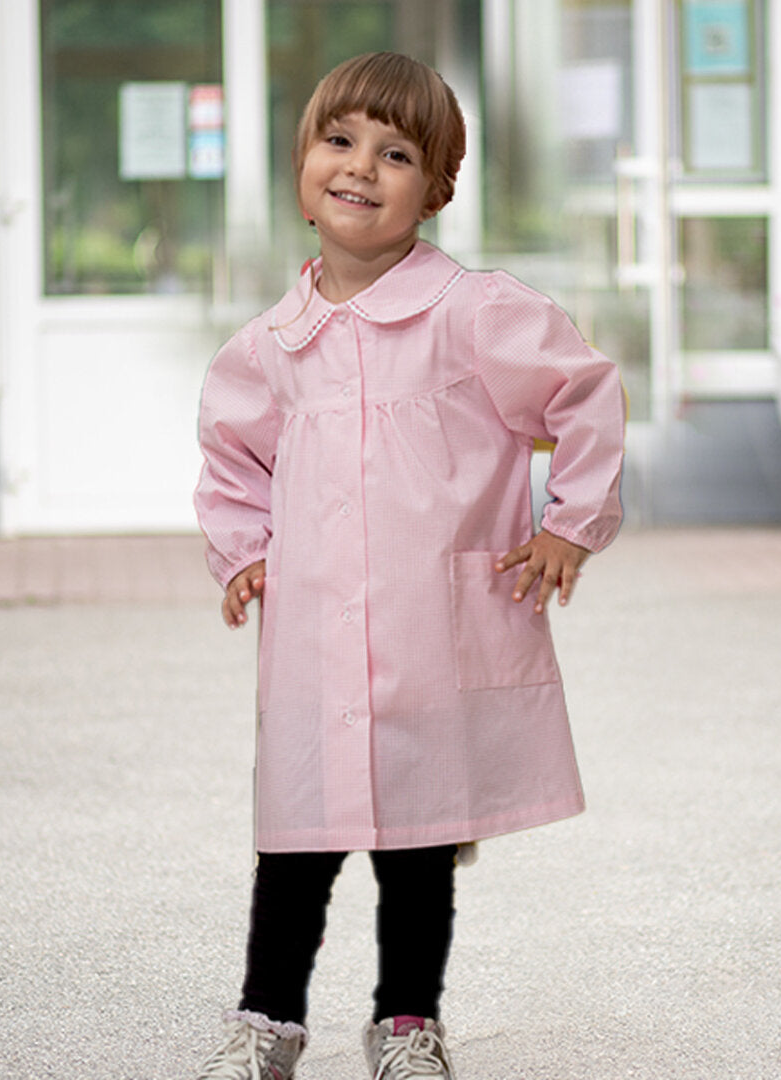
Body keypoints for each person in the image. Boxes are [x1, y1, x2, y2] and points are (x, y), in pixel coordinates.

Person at [192, 51, 625, 1080]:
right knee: (295, 842)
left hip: (433, 636)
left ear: (434, 190)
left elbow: (584, 394)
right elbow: (230, 458)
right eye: (338, 141)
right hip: (313, 640)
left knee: (419, 844)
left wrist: (572, 520)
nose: (360, 167)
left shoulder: (473, 314)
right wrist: (243, 553)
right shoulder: (271, 345)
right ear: (301, 164)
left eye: (396, 154)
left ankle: (406, 1024)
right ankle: (269, 1021)